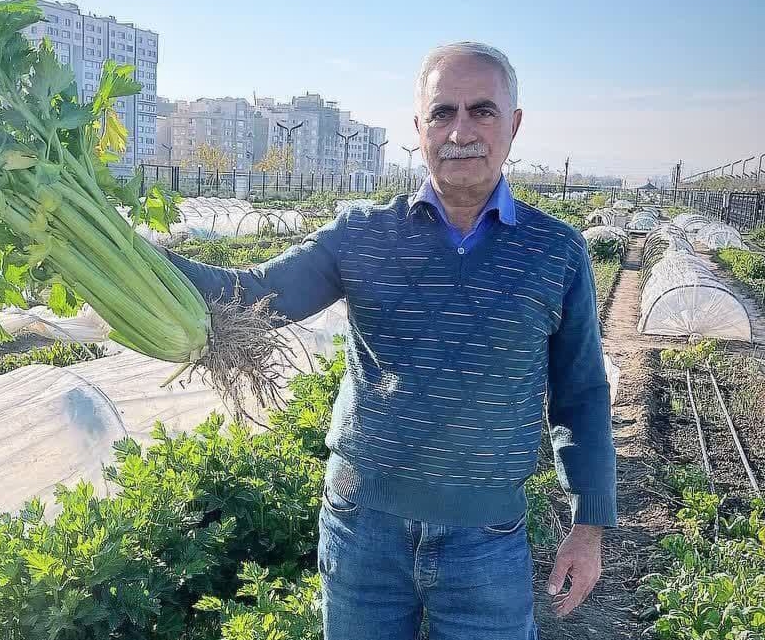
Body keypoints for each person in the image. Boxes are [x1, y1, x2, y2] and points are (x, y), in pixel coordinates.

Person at [165, 42, 616, 640]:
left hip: (485, 542)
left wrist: (588, 526)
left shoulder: (556, 252)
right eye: (442, 112)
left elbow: (581, 394)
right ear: (419, 127)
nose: (461, 130)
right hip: (363, 534)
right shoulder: (361, 235)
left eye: (482, 110)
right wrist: (124, 256)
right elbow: (250, 294)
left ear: (514, 124)